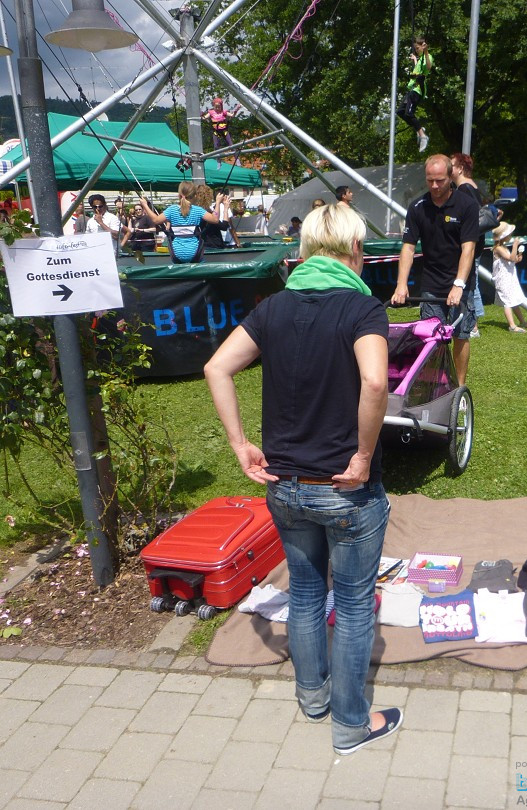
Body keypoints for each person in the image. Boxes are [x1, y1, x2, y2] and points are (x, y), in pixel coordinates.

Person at [204, 202, 400, 756]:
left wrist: (240, 443)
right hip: (344, 488)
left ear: (307, 251)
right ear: (355, 252)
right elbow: (375, 383)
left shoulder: (273, 309)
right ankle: (350, 724)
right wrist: (363, 455)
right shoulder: (363, 309)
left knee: (308, 594)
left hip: (284, 485)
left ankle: (312, 698)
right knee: (356, 604)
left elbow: (216, 366)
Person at [391, 154, 480, 386]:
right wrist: (402, 284)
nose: (434, 186)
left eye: (439, 180)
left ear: (450, 176)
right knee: (431, 337)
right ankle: (436, 384)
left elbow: (468, 248)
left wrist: (458, 285)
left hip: (461, 282)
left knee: (461, 335)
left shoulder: (466, 205)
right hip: (431, 282)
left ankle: (459, 387)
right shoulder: (418, 207)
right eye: (430, 180)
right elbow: (408, 248)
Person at [449, 152, 487, 337]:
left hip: (470, 244)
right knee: (473, 283)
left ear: (460, 169)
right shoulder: (473, 187)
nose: (449, 170)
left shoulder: (464, 189)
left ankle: (472, 325)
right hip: (476, 243)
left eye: (452, 166)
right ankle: (472, 324)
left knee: (470, 284)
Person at [138, 181, 221, 264]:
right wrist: (217, 202)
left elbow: (156, 220)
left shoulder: (172, 209)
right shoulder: (198, 210)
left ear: (179, 195)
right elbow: (215, 219)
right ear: (195, 195)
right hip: (195, 253)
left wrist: (145, 205)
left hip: (176, 253)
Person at [490, 221, 527, 333]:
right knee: (508, 302)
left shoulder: (504, 247)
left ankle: (522, 321)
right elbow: (511, 259)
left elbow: (513, 260)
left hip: (509, 278)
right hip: (503, 280)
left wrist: (519, 255)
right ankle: (512, 326)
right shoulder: (498, 248)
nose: (511, 236)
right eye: (509, 234)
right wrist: (515, 246)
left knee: (513, 300)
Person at [398, 36, 433, 153]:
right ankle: (419, 129)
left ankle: (423, 136)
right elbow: (419, 68)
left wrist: (426, 51)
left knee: (409, 113)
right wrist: (414, 60)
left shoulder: (427, 57)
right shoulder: (420, 59)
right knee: (400, 112)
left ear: (423, 47)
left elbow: (428, 66)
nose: (416, 50)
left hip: (417, 90)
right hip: (412, 89)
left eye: (417, 48)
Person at [205, 97, 240, 165]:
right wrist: (201, 115)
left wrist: (237, 109)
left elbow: (232, 115)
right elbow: (205, 117)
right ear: (214, 106)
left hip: (224, 131)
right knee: (216, 146)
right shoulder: (211, 112)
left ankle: (236, 158)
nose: (217, 109)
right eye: (216, 107)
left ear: (221, 107)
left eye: (219, 107)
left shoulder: (224, 112)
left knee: (231, 145)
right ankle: (218, 161)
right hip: (216, 132)